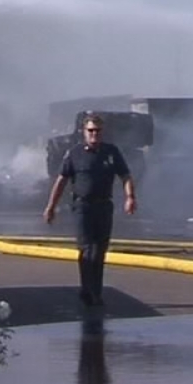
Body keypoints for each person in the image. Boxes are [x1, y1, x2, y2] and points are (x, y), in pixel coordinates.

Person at [43, 115, 136, 306]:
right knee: (87, 249)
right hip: (82, 207)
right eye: (91, 131)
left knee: (100, 250)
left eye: (98, 131)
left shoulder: (111, 152)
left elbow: (125, 175)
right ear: (84, 132)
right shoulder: (74, 153)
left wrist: (130, 197)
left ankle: (94, 290)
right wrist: (51, 206)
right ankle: (89, 290)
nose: (94, 134)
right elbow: (61, 181)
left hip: (104, 206)